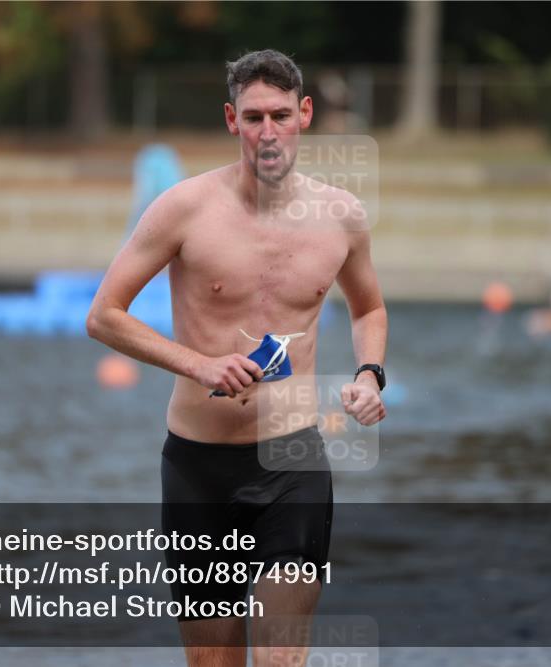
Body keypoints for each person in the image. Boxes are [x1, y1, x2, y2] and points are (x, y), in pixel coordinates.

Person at [87, 49, 388, 667]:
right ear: (232, 120)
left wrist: (369, 374)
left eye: (281, 115)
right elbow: (104, 315)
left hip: (292, 460)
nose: (268, 132)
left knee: (280, 658)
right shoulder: (183, 208)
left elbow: (369, 310)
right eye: (253, 118)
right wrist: (199, 364)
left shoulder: (342, 216)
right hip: (197, 466)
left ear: (305, 114)